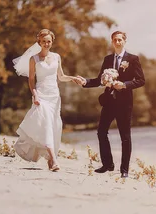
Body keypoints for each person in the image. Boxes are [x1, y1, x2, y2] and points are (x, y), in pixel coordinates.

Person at [74, 31, 145, 178]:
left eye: (120, 40)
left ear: (125, 41)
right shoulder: (107, 59)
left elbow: (140, 80)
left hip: (125, 103)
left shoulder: (132, 59)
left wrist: (124, 84)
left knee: (125, 137)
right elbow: (100, 80)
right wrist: (85, 82)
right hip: (109, 102)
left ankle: (124, 170)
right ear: (112, 42)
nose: (117, 42)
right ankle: (108, 164)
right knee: (101, 132)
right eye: (115, 40)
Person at [12, 29, 77, 171]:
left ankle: (49, 158)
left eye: (49, 41)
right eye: (43, 42)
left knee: (54, 125)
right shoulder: (33, 59)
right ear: (39, 42)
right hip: (41, 95)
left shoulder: (57, 57)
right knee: (46, 123)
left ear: (52, 42)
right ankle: (54, 160)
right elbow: (30, 80)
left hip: (54, 95)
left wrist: (73, 78)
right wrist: (34, 94)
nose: (46, 44)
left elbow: (61, 76)